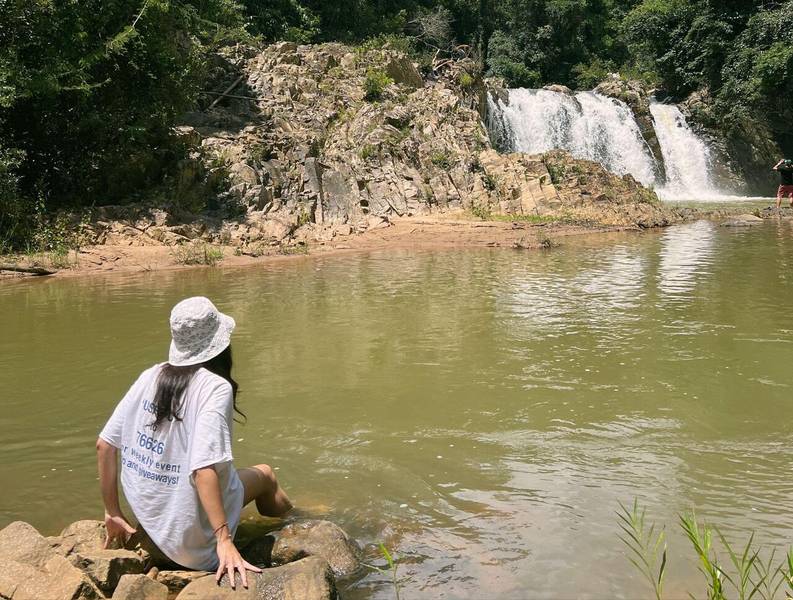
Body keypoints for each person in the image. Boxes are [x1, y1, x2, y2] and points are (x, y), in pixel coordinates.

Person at [96, 296, 292, 589]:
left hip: (152, 525)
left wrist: (112, 512)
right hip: (194, 546)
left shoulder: (151, 375)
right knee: (265, 475)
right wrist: (224, 540)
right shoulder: (215, 387)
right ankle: (295, 524)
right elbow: (202, 470)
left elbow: (104, 445)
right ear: (220, 344)